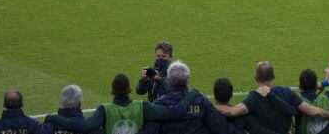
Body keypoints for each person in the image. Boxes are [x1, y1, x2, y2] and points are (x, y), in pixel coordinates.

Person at [44, 73, 194, 133]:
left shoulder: (104, 110)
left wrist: (52, 117)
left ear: (111, 91)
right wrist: (192, 93)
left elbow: (79, 127)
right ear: (130, 89)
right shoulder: (142, 107)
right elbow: (175, 112)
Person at [144, 61, 244, 134]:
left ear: (169, 80)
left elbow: (150, 130)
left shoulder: (160, 104)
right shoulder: (200, 100)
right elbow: (220, 126)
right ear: (187, 80)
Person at [212, 62, 306, 134]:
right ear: (273, 76)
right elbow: (297, 111)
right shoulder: (287, 92)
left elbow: (232, 112)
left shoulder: (253, 98)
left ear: (255, 77)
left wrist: (208, 106)